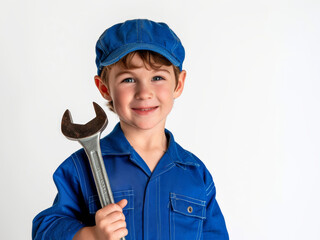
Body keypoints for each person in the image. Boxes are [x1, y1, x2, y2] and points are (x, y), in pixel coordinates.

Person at [32, 19, 229, 240]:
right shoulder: (81, 167)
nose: (144, 92)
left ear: (179, 84)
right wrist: (92, 235)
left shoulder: (195, 173)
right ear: (104, 88)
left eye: (157, 77)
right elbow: (45, 231)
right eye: (128, 79)